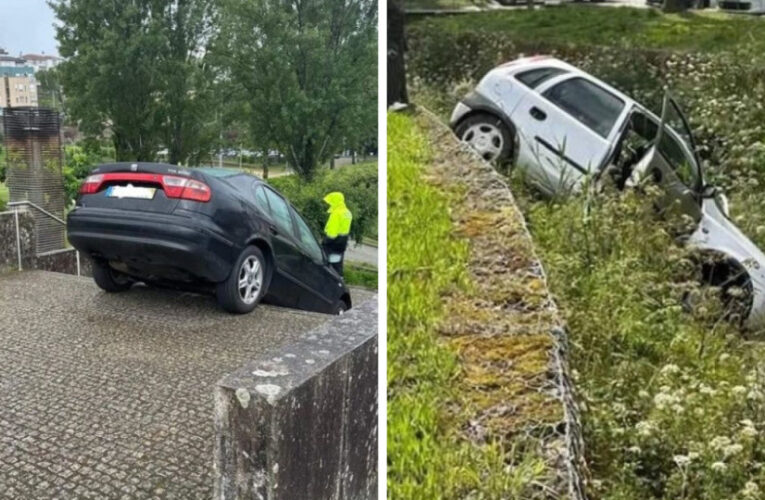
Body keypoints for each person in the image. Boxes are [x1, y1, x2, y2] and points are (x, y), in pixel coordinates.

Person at [322, 192, 352, 275]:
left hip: (332, 243)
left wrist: (325, 242)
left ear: (335, 201)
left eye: (330, 202)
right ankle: (339, 280)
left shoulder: (336, 213)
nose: (329, 204)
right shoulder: (347, 212)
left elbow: (332, 232)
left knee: (326, 263)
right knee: (337, 264)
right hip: (342, 243)